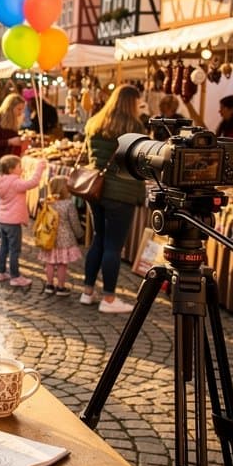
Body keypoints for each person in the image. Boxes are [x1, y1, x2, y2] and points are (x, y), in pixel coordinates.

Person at [79, 84, 146, 314]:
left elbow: (90, 154)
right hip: (121, 193)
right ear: (132, 102)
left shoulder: (95, 122)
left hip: (96, 189)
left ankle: (87, 292)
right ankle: (108, 298)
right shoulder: (134, 127)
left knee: (98, 239)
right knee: (113, 246)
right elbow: (138, 163)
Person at [0, 93, 27, 251]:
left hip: (10, 164)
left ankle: (3, 237)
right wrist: (10, 141)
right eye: (19, 109)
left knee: (7, 202)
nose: (21, 112)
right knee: (0, 203)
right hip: (1, 165)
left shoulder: (13, 120)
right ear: (11, 107)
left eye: (22, 109)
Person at [0, 155, 46, 288]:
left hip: (2, 220)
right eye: (19, 166)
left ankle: (1, 272)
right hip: (13, 221)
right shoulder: (15, 183)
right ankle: (15, 276)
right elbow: (33, 182)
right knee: (14, 250)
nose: (22, 169)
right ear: (11, 169)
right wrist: (40, 167)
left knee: (4, 247)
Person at [37, 175, 83, 297]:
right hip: (65, 239)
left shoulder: (47, 202)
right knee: (62, 264)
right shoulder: (68, 204)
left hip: (49, 238)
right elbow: (74, 222)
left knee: (49, 263)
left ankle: (49, 285)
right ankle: (61, 287)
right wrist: (80, 234)